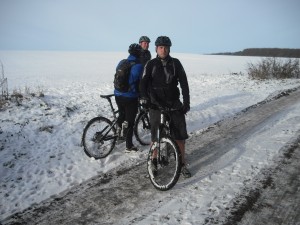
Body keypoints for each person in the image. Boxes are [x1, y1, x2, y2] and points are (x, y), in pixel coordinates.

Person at [139, 36, 191, 178]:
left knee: (180, 136)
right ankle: (154, 161)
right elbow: (143, 83)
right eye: (161, 47)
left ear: (169, 49)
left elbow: (184, 83)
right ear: (156, 48)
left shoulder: (175, 63)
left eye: (166, 47)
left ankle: (182, 164)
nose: (164, 50)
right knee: (155, 136)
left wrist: (186, 103)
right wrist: (144, 97)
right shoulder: (150, 64)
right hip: (155, 103)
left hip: (173, 102)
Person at [114, 43, 143, 153]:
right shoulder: (139, 66)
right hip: (130, 98)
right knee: (130, 122)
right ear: (139, 54)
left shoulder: (122, 62)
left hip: (118, 94)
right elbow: (138, 82)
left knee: (122, 114)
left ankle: (119, 132)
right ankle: (129, 146)